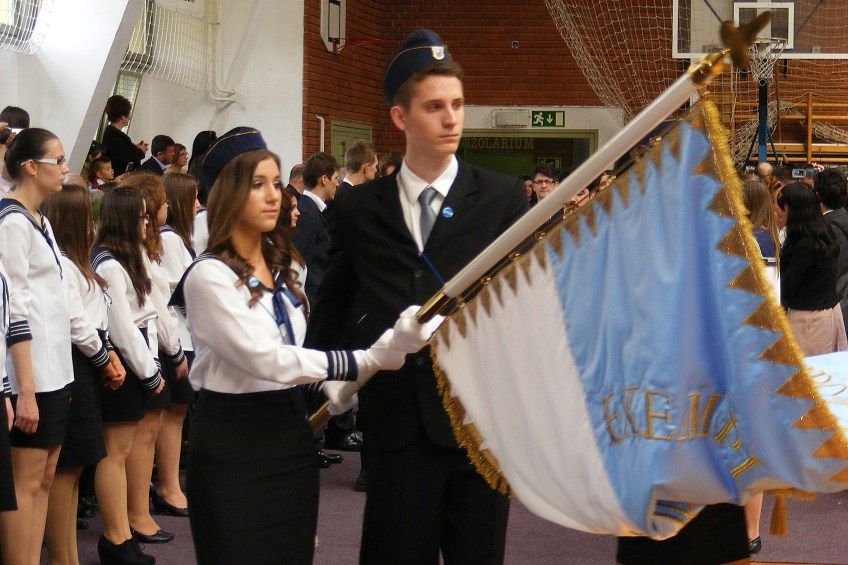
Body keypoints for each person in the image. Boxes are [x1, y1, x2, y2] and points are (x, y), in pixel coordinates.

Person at [306, 29, 526, 563]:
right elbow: (335, 304)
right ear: (400, 117)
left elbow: (524, 305)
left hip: (480, 420)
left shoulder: (500, 198)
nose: (452, 119)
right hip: (397, 421)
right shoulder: (359, 209)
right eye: (434, 107)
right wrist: (321, 379)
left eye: (458, 104)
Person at [171, 126, 436, 564]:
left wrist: (333, 384)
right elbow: (264, 358)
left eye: (276, 183)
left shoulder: (284, 266)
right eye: (257, 184)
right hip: (234, 440)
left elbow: (294, 344)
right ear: (226, 195)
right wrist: (361, 361)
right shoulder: (207, 275)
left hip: (290, 435)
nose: (273, 196)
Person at [0, 128, 113, 565]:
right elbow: (14, 309)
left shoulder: (41, 220)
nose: (67, 168)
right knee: (25, 483)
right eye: (58, 160)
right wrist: (25, 389)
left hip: (57, 371)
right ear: (30, 167)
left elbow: (57, 302)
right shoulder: (12, 223)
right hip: (30, 375)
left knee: (46, 477)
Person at [42, 185, 126, 565]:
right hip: (76, 363)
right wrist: (104, 359)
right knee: (66, 469)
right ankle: (63, 558)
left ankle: (69, 556)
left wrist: (106, 355)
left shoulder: (78, 263)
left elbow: (95, 318)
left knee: (75, 468)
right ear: (73, 222)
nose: (93, 224)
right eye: (88, 217)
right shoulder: (62, 264)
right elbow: (77, 324)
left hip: (88, 360)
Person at [92, 187, 166, 564]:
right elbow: (122, 328)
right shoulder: (108, 263)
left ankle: (122, 533)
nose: (147, 223)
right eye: (141, 216)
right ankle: (115, 536)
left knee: (123, 451)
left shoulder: (126, 258)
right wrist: (150, 372)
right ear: (123, 220)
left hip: (135, 357)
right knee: (115, 452)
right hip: (121, 361)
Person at [119, 172, 188, 546]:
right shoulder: (134, 254)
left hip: (157, 343)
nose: (163, 211)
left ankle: (139, 510)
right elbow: (157, 305)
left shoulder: (147, 248)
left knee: (147, 433)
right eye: (149, 211)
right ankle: (136, 513)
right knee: (141, 437)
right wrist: (174, 350)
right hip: (150, 346)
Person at [153, 172, 199, 517]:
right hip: (175, 335)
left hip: (183, 333)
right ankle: (168, 486)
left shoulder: (177, 238)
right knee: (173, 413)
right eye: (193, 198)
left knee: (178, 412)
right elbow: (178, 290)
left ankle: (170, 484)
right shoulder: (169, 239)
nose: (198, 205)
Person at [778, 182, 848, 356]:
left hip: (808, 319)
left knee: (807, 368)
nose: (778, 213)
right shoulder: (825, 233)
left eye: (782, 209)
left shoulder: (805, 244)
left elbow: (788, 287)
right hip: (829, 312)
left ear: (790, 210)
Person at [291, 151, 339, 305]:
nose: (338, 184)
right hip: (312, 301)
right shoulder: (306, 213)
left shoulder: (314, 210)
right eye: (336, 178)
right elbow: (300, 263)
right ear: (324, 179)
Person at [101, 95, 148, 176]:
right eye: (129, 112)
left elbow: (124, 152)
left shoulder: (113, 133)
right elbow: (128, 159)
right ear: (122, 116)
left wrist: (135, 148)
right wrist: (141, 150)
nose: (130, 115)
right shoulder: (113, 135)